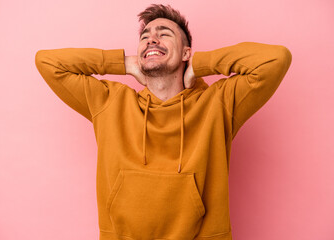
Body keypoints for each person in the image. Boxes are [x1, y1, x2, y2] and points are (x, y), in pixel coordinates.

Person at [35, 4, 292, 240]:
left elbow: (275, 59)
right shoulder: (110, 102)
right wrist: (123, 63)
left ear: (186, 52)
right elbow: (47, 62)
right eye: (145, 36)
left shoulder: (218, 103)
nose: (151, 39)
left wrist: (199, 65)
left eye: (164, 33)